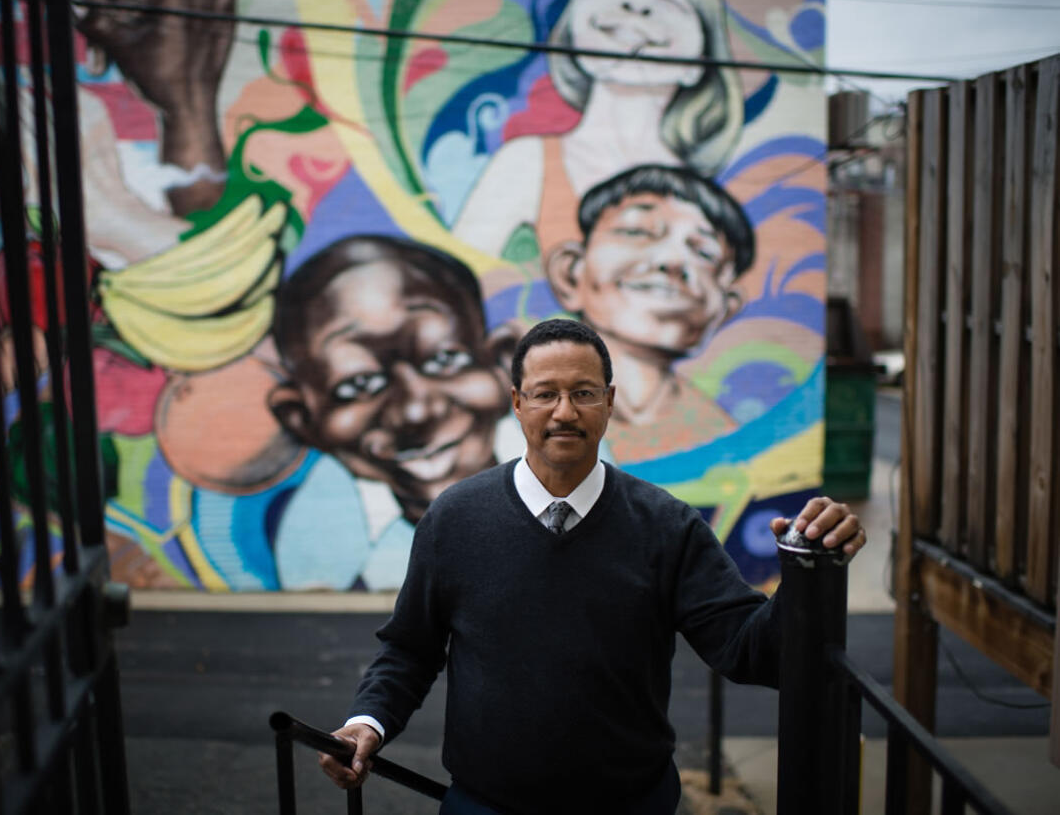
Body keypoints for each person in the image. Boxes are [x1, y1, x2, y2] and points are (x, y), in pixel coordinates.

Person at [317, 318, 865, 813]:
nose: (564, 412)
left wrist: (809, 568)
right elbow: (410, 649)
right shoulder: (455, 519)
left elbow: (751, 653)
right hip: (483, 805)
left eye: (583, 393)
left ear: (608, 401)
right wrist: (368, 724)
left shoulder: (666, 527)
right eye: (545, 394)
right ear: (516, 402)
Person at [267, 234, 524, 589]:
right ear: (302, 419)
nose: (415, 410)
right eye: (358, 385)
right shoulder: (319, 545)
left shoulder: (576, 472)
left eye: (444, 359)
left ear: (504, 363)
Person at [452, 0, 742, 257]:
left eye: (671, 2)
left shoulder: (707, 200)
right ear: (570, 30)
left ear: (698, 64)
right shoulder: (526, 161)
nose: (638, 5)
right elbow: (458, 279)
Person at [545, 163, 754, 456]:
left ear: (725, 308)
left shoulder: (719, 441)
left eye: (704, 252)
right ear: (569, 273)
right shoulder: (518, 417)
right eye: (636, 231)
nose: (673, 260)